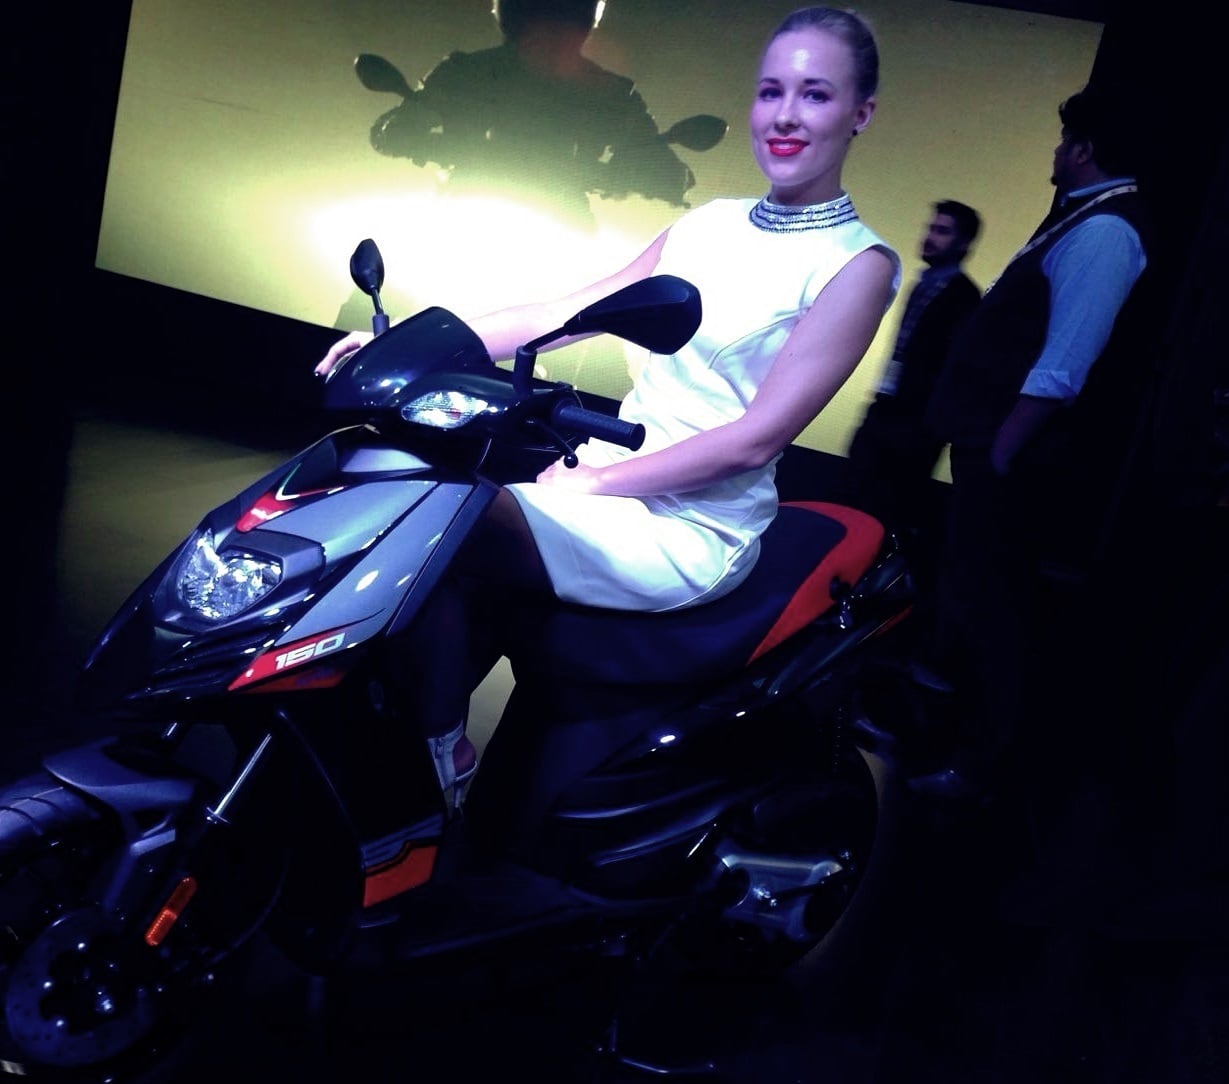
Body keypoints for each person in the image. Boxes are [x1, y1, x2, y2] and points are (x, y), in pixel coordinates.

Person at [316, 6, 900, 807]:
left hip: (690, 523)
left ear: (859, 113)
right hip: (607, 478)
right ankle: (394, 765)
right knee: (412, 509)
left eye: (815, 95)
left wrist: (594, 483)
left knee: (445, 519)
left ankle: (438, 760)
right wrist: (415, 344)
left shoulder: (856, 265)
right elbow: (564, 312)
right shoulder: (709, 224)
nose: (785, 115)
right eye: (770, 92)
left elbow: (752, 440)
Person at [908, 86, 1151, 806]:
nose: (1056, 150)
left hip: (1011, 464)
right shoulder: (1081, 217)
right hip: (990, 454)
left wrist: (1002, 452)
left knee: (995, 615)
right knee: (968, 598)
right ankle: (938, 741)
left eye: (1063, 139)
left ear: (1083, 148)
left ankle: (977, 766)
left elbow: (1062, 365)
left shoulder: (1105, 231)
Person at [364, 0, 704, 225]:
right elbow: (394, 128)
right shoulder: (466, 72)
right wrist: (410, 135)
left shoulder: (612, 94)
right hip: (467, 209)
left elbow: (666, 167)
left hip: (561, 218)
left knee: (606, 308)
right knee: (381, 292)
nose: (551, 26)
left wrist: (651, 174)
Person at [842, 199, 981, 575]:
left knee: (888, 508)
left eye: (942, 231)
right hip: (890, 409)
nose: (929, 237)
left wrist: (931, 424)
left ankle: (870, 583)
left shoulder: (963, 297)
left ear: (964, 242)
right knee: (857, 495)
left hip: (915, 423)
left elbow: (953, 368)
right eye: (931, 228)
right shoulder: (927, 284)